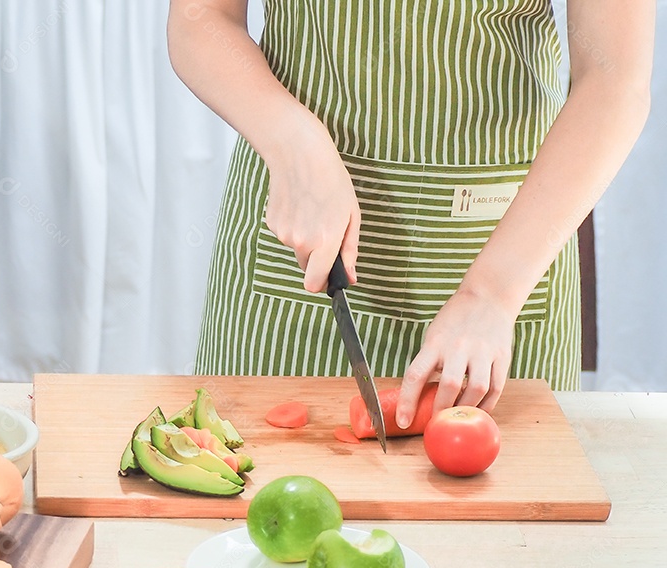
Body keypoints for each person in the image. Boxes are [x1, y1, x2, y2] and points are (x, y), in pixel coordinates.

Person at [168, 0, 652, 427]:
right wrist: (292, 140)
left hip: (505, 253)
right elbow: (201, 18)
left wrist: (493, 294)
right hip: (298, 243)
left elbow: (614, 80)